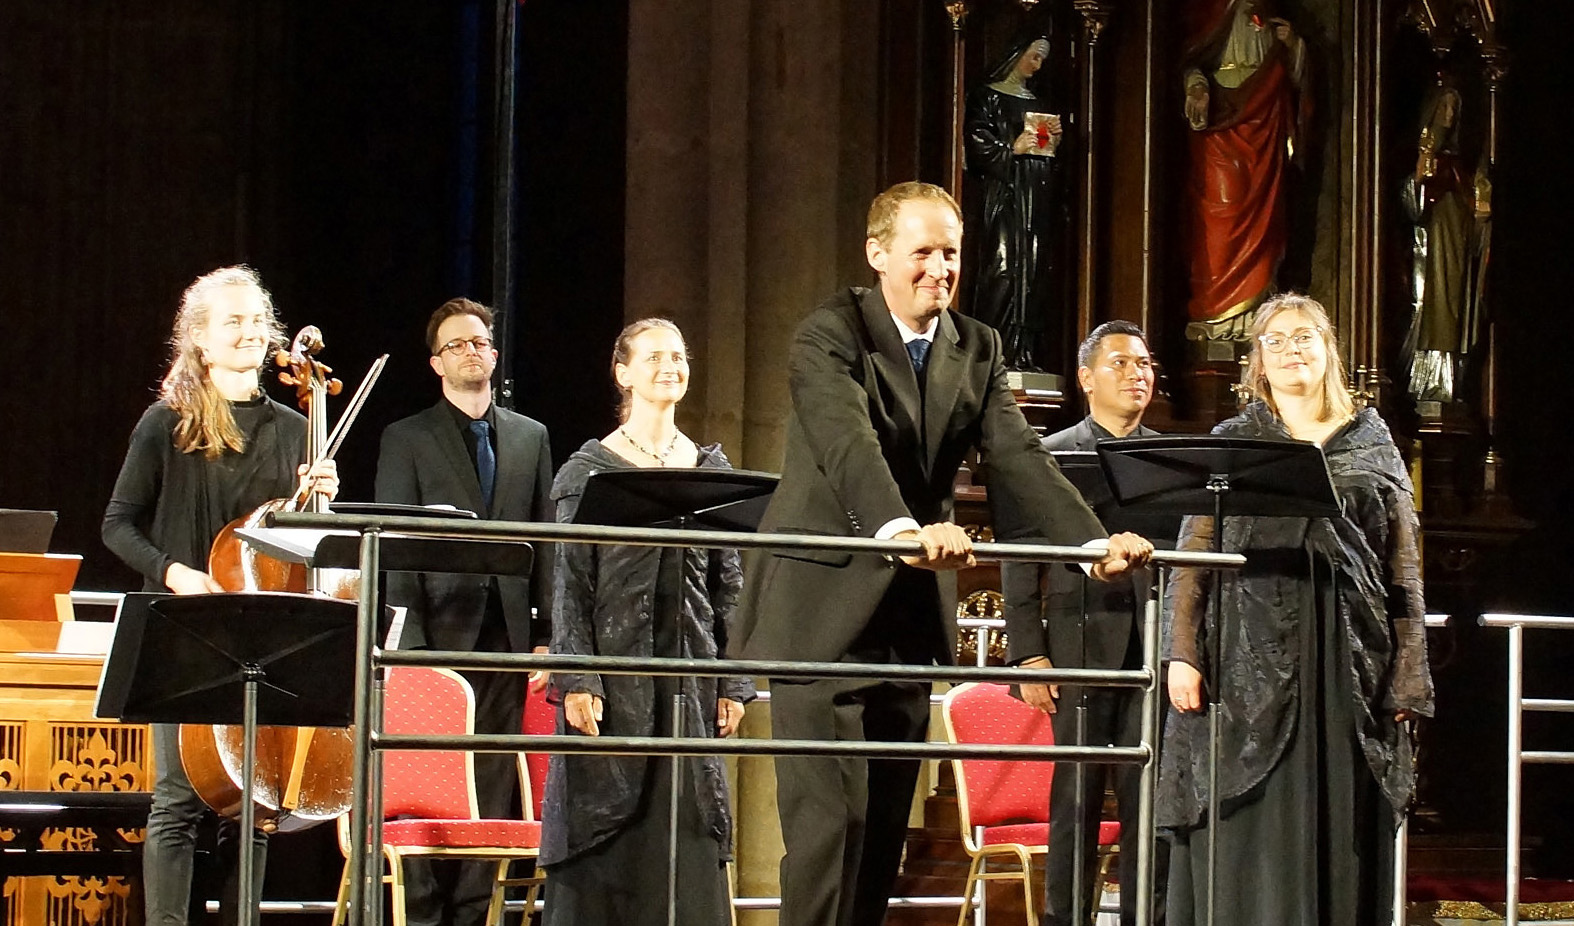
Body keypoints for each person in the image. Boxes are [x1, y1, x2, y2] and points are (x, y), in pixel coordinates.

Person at [731, 181, 1154, 926]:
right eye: (921, 252)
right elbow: (845, 444)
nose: (939, 268)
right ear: (877, 254)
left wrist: (1090, 546)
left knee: (883, 834)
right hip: (821, 616)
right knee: (834, 827)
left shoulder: (978, 346)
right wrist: (899, 531)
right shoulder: (829, 334)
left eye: (950, 253)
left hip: (907, 619)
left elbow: (1019, 457)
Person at [1157, 293, 1434, 925]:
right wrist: (1182, 653)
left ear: (1330, 350)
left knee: (1338, 804)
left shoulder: (1374, 444)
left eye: (1304, 336)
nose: (1291, 351)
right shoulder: (1234, 442)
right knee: (1248, 809)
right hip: (1242, 656)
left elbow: (1404, 569)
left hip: (1348, 653)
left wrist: (1410, 674)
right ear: (1257, 361)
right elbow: (1193, 556)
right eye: (1275, 341)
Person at [101, 265, 339, 926]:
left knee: (253, 806)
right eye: (230, 321)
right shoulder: (166, 424)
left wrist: (322, 505)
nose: (247, 331)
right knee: (177, 803)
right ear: (200, 339)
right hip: (183, 626)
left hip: (259, 631)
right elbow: (117, 524)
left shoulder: (296, 431)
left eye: (256, 320)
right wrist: (174, 571)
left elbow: (301, 550)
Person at [539, 318, 754, 926]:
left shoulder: (710, 466)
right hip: (614, 677)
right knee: (607, 823)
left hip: (690, 679)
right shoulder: (589, 470)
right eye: (654, 357)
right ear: (623, 372)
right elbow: (571, 585)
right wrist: (578, 678)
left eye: (679, 357)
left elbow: (727, 585)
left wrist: (733, 680)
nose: (670, 367)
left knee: (689, 823)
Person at [374, 297, 554, 926]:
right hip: (432, 637)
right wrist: (407, 646)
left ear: (494, 354)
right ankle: (421, 912)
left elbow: (545, 539)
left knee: (494, 783)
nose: (470, 351)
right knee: (430, 779)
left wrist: (545, 632)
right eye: (456, 344)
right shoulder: (407, 437)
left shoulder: (531, 437)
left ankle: (482, 913)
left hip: (504, 636)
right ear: (436, 363)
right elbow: (395, 551)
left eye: (479, 341)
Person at [1001, 319, 1168, 926]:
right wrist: (1027, 654)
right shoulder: (1053, 454)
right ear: (1086, 377)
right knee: (1076, 800)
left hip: (1151, 650)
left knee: (1147, 800)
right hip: (1077, 646)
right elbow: (1020, 557)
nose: (1136, 374)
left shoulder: (1167, 459)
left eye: (1145, 364)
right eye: (1121, 363)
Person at [1181, 0, 1311, 340]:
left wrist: (1293, 46)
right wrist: (1197, 86)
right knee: (1220, 217)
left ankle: (1253, 318)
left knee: (1264, 220)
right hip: (1221, 128)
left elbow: (1300, 82)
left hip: (1265, 120)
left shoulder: (1271, 7)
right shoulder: (1211, 9)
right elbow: (1189, 57)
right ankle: (1217, 318)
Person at [962, 34, 1067, 370]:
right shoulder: (987, 97)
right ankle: (995, 353)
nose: (1037, 67)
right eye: (1034, 57)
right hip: (1004, 195)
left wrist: (1052, 143)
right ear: (1015, 53)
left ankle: (1024, 353)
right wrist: (1014, 149)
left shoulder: (1037, 100)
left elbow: (1049, 158)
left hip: (1035, 196)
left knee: (1032, 273)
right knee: (1003, 267)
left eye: (1042, 60)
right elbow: (979, 144)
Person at [1400, 82, 1489, 403]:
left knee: (1454, 310)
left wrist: (1480, 210)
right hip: (1430, 248)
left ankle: (1449, 384)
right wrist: (1420, 180)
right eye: (1444, 107)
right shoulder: (1425, 156)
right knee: (1431, 307)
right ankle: (1427, 383)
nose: (1449, 115)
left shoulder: (1460, 164)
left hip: (1456, 248)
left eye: (1455, 109)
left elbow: (1476, 207)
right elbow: (1411, 206)